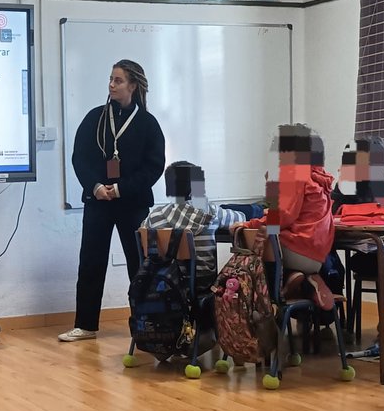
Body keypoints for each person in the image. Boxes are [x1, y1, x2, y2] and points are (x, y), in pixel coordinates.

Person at [59, 59, 165, 342]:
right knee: (91, 262)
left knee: (138, 265)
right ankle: (86, 325)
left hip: (132, 202)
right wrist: (95, 187)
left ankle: (143, 324)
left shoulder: (147, 123)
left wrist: (120, 189)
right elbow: (79, 158)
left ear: (132, 85)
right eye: (110, 79)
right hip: (98, 201)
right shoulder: (95, 117)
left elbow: (153, 167)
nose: (111, 84)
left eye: (118, 80)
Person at [232, 123, 335, 307]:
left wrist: (249, 224)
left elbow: (284, 215)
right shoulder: (321, 178)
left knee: (255, 245)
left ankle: (275, 297)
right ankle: (299, 281)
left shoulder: (295, 173)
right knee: (270, 239)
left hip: (298, 251)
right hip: (318, 257)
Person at [143, 161, 245, 296]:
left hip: (166, 282)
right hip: (203, 283)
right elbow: (241, 217)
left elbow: (142, 233)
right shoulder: (211, 213)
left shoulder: (155, 216)